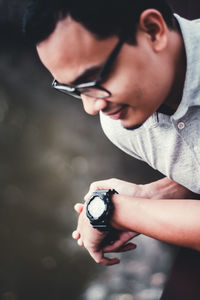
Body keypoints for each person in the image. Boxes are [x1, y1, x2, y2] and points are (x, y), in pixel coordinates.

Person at [23, 0, 200, 267]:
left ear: (153, 31)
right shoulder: (120, 124)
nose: (91, 107)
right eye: (74, 90)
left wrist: (121, 210)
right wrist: (158, 193)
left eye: (95, 80)